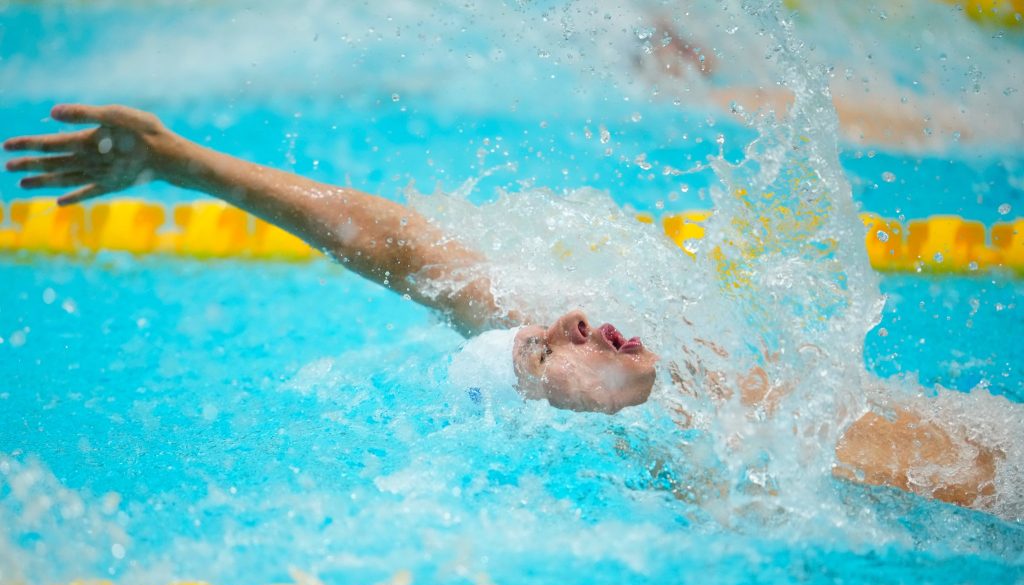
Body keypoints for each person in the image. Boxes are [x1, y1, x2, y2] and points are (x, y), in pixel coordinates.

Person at [2, 104, 1001, 510]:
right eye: (535, 349)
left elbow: (391, 243)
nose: (564, 319)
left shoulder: (695, 391)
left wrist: (181, 162)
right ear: (540, 410)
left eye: (535, 326)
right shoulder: (695, 476)